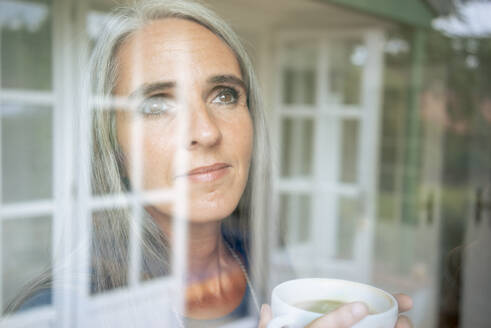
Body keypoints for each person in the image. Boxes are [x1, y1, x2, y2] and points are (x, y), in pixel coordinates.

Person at [8, 1, 413, 327]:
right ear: (110, 143)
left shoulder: (265, 263)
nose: (206, 131)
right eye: (156, 104)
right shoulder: (56, 312)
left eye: (224, 95)